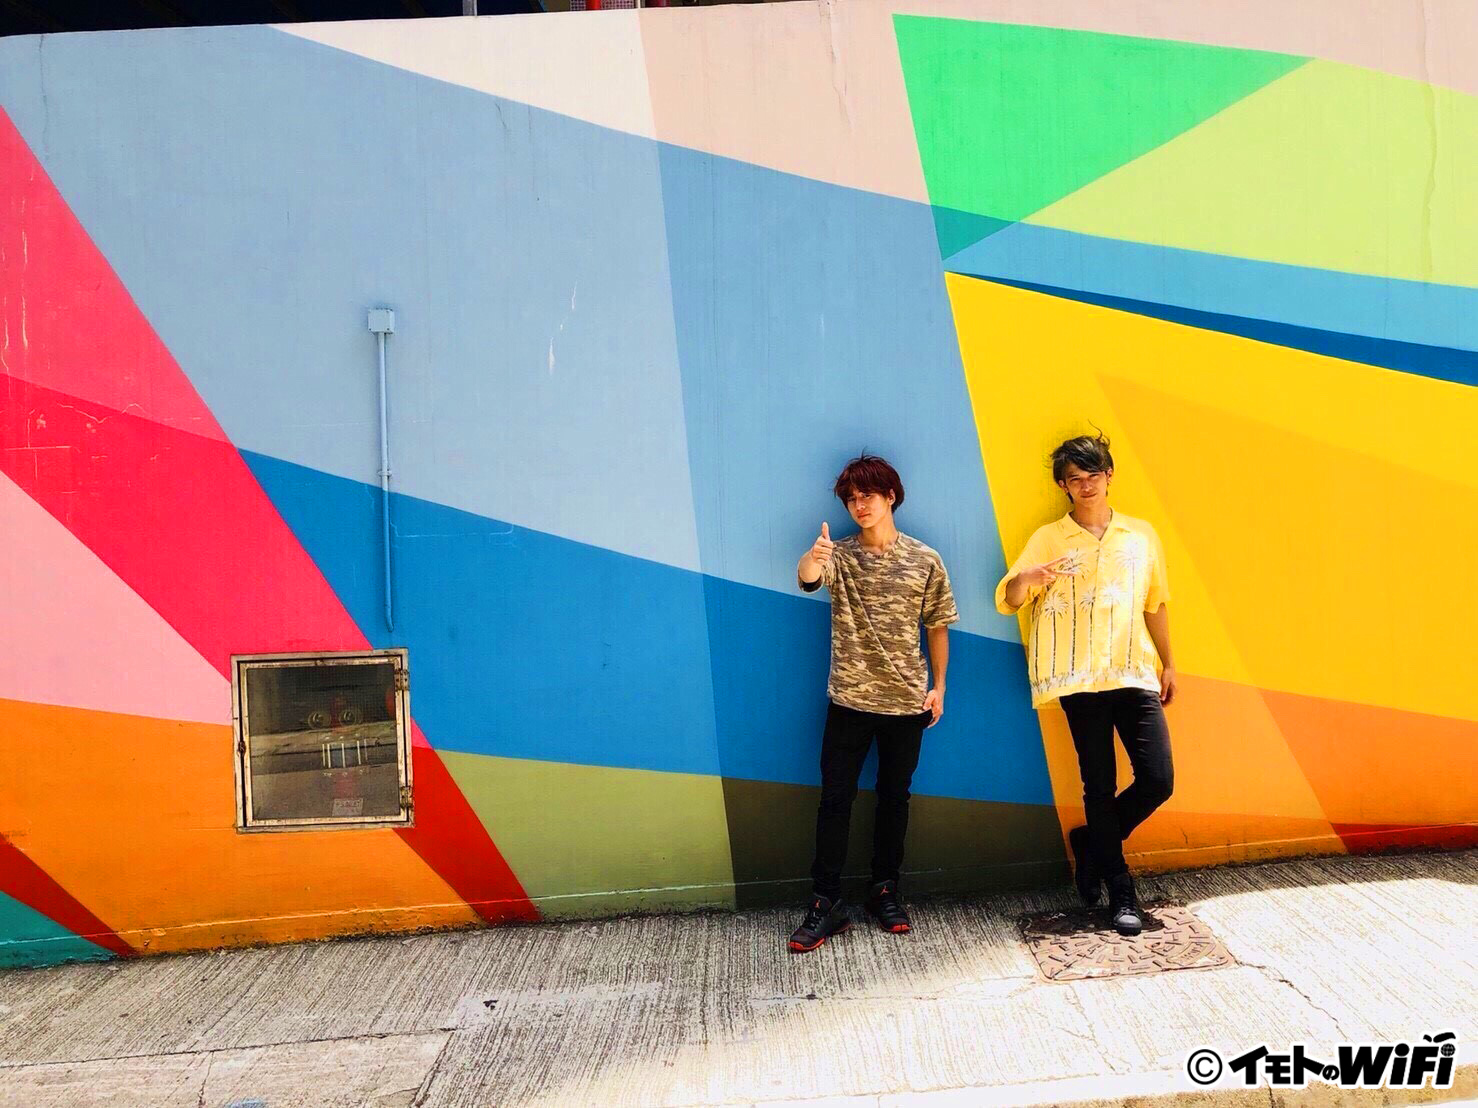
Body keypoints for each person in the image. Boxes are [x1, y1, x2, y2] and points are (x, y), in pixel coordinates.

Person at [995, 433, 1176, 936]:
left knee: (1158, 780)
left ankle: (1091, 843)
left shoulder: (1141, 535)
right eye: (1075, 478)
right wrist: (1028, 578)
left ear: (1109, 475)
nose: (1086, 485)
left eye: (1093, 474)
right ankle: (1120, 889)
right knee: (1098, 784)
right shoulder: (1049, 538)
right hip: (1078, 677)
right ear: (1063, 486)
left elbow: (1155, 603)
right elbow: (1009, 599)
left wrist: (1169, 663)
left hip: (1133, 670)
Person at [788, 453, 959, 953]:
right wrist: (813, 557)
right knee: (834, 800)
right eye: (851, 499)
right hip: (848, 700)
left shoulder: (925, 559)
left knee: (894, 798)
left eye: (867, 496)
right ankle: (825, 902)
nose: (859, 506)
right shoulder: (838, 555)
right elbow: (808, 578)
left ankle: (885, 891)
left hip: (906, 703)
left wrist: (940, 686)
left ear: (890, 496)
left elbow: (937, 626)